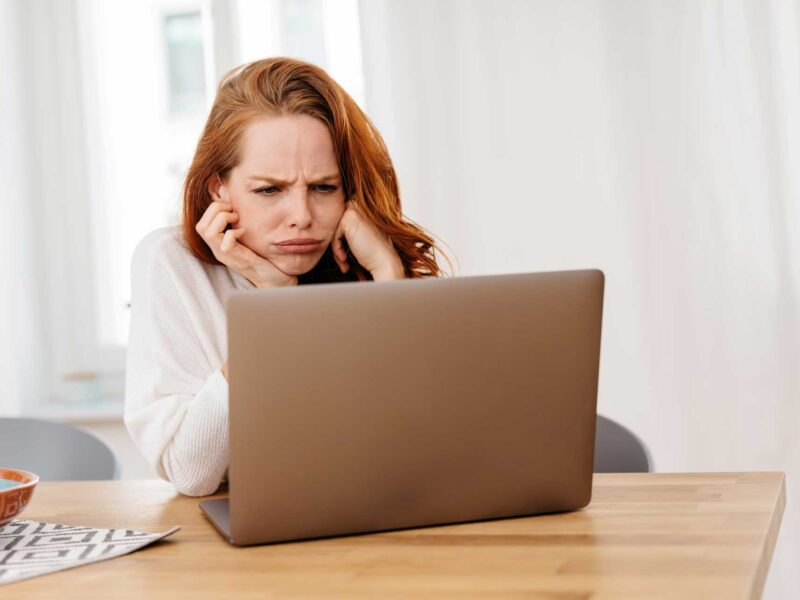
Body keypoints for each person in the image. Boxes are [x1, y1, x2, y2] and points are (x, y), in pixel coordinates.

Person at [124, 57, 447, 496]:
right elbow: (193, 472)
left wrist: (389, 276)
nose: (302, 217)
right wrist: (272, 310)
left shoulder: (363, 263)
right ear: (218, 187)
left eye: (324, 187)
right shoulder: (173, 264)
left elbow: (421, 447)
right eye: (269, 190)